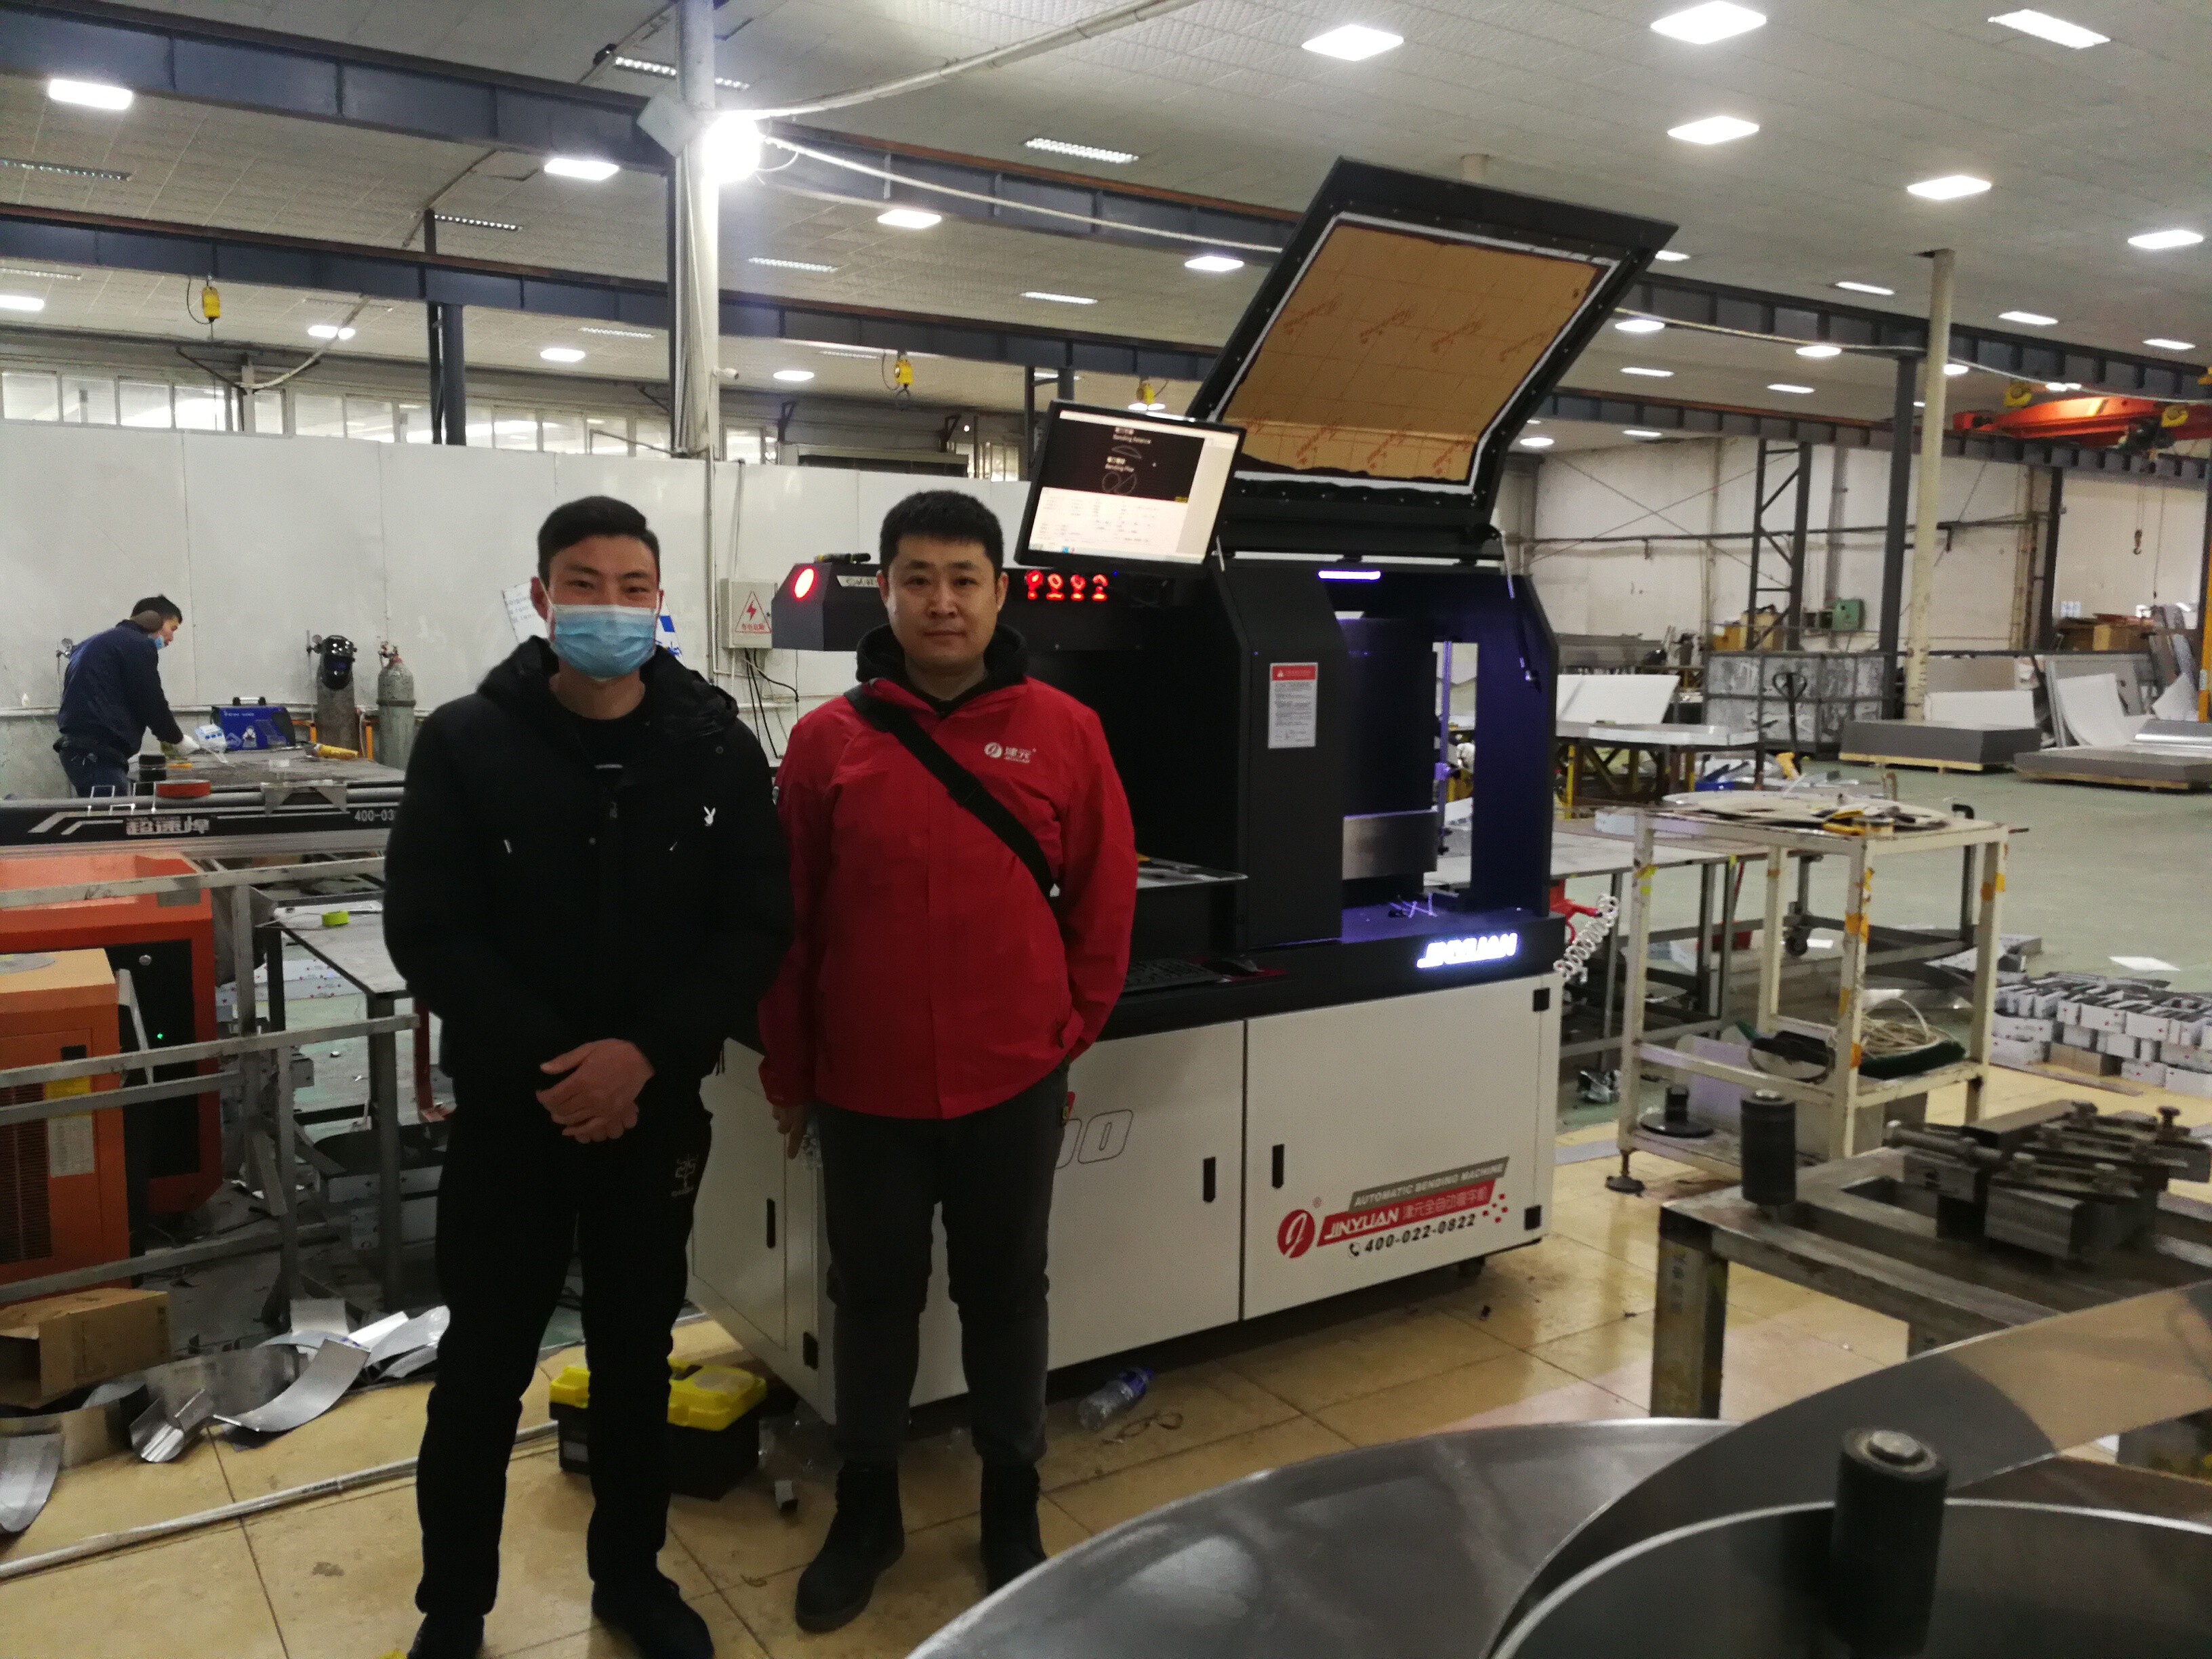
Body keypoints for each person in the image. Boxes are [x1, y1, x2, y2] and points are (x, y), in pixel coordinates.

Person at [384, 495, 792, 1659]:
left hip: (653, 1110)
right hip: (512, 1115)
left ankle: (632, 1578)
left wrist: (643, 1053)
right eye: (583, 583)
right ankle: (453, 1607)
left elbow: (755, 923)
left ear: (658, 601)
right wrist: (559, 1068)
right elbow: (431, 928)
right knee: (481, 1365)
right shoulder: (467, 741)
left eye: (632, 587)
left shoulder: (714, 747)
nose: (609, 606)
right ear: (541, 596)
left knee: (633, 1357)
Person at [759, 489, 1137, 1632]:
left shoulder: (1064, 731)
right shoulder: (827, 743)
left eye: (964, 579)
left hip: (1010, 1080)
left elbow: (1104, 896)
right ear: (883, 589)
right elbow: (791, 924)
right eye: (917, 578)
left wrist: (1066, 1029)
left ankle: (1010, 1502)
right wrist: (790, 1072)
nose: (941, 601)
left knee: (1006, 1294)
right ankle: (866, 1509)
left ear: (998, 592)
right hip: (865, 1085)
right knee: (871, 1299)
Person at [54, 595, 188, 794]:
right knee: (112, 813)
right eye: (172, 629)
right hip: (97, 754)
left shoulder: (98, 643)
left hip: (81, 751)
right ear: (154, 619)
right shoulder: (137, 644)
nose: (171, 639)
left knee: (107, 811)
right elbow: (151, 701)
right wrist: (177, 739)